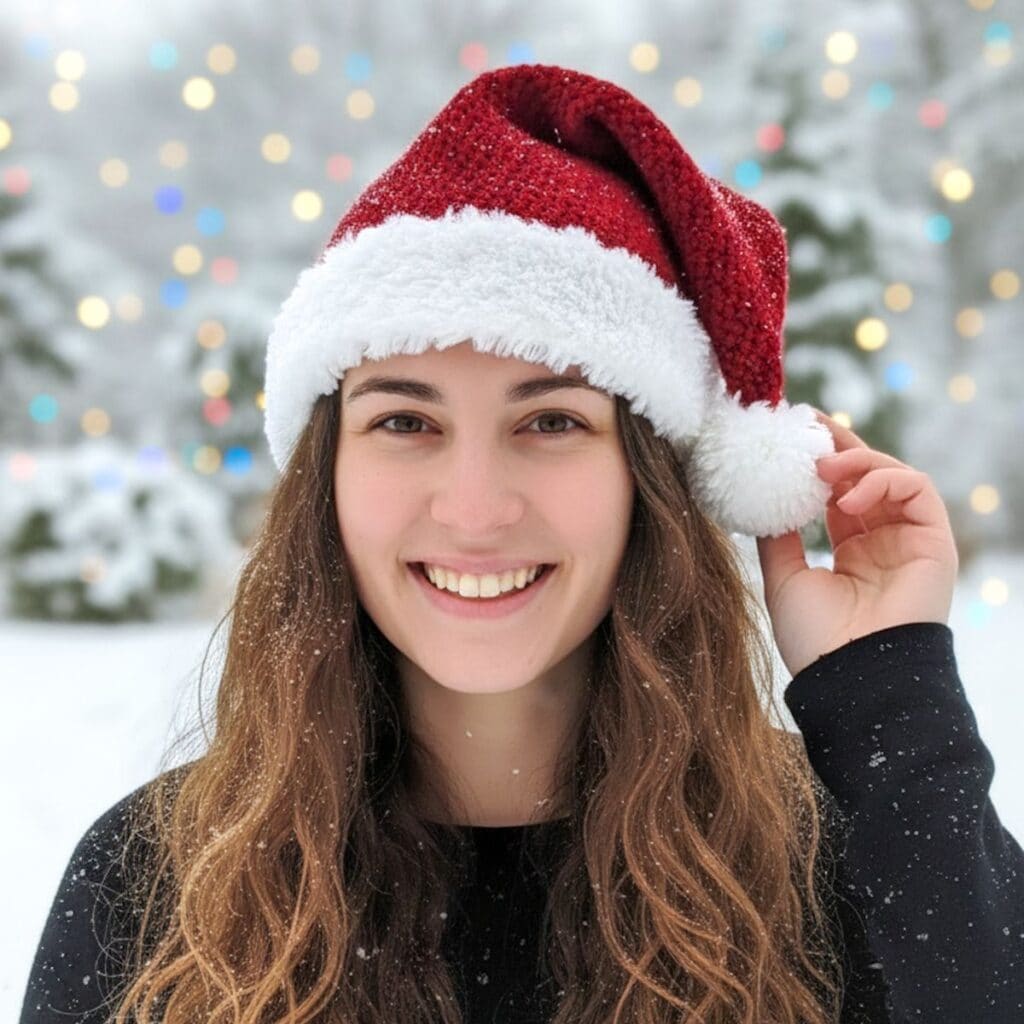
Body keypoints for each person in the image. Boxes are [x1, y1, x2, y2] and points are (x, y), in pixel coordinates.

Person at [20, 63, 1024, 1024]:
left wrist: (889, 697)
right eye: (404, 423)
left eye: (549, 422)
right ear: (324, 479)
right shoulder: (155, 885)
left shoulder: (848, 855)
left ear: (651, 478)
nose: (472, 507)